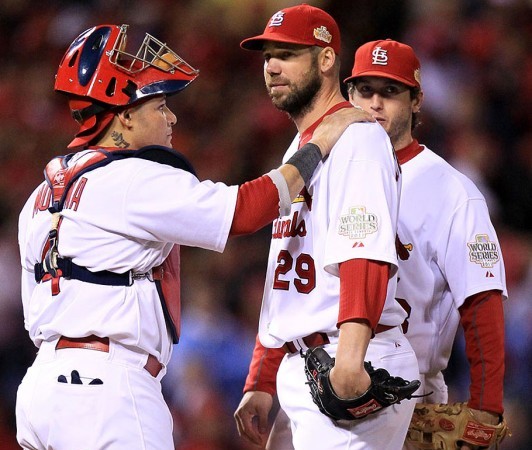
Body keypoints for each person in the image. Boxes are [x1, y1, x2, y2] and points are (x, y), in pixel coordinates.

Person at [15, 23, 369, 450]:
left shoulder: (38, 196)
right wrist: (320, 144)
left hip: (40, 390)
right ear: (125, 116)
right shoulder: (129, 176)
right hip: (104, 391)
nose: (172, 117)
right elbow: (245, 211)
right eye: (159, 105)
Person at [235, 38, 508, 450]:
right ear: (348, 93)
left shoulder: (451, 190)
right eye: (365, 91)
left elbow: (481, 301)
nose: (375, 104)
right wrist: (262, 378)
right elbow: (288, 276)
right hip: (314, 373)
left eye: (391, 92)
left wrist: (487, 407)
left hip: (404, 392)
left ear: (417, 100)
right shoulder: (313, 158)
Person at [235, 5, 420, 450]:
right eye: (266, 57)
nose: (272, 66)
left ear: (325, 59)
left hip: (347, 353)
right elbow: (286, 269)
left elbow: (365, 248)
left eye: (287, 54)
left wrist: (351, 359)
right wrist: (262, 375)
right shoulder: (302, 147)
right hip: (305, 360)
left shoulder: (356, 137)